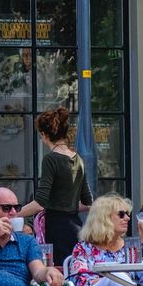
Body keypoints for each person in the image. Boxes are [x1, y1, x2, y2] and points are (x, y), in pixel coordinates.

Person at [17, 107, 93, 265]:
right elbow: (87, 203)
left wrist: (14, 215)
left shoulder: (50, 159)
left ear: (44, 135)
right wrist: (66, 204)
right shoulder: (78, 159)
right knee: (74, 269)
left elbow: (40, 203)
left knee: (58, 271)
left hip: (56, 228)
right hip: (76, 226)